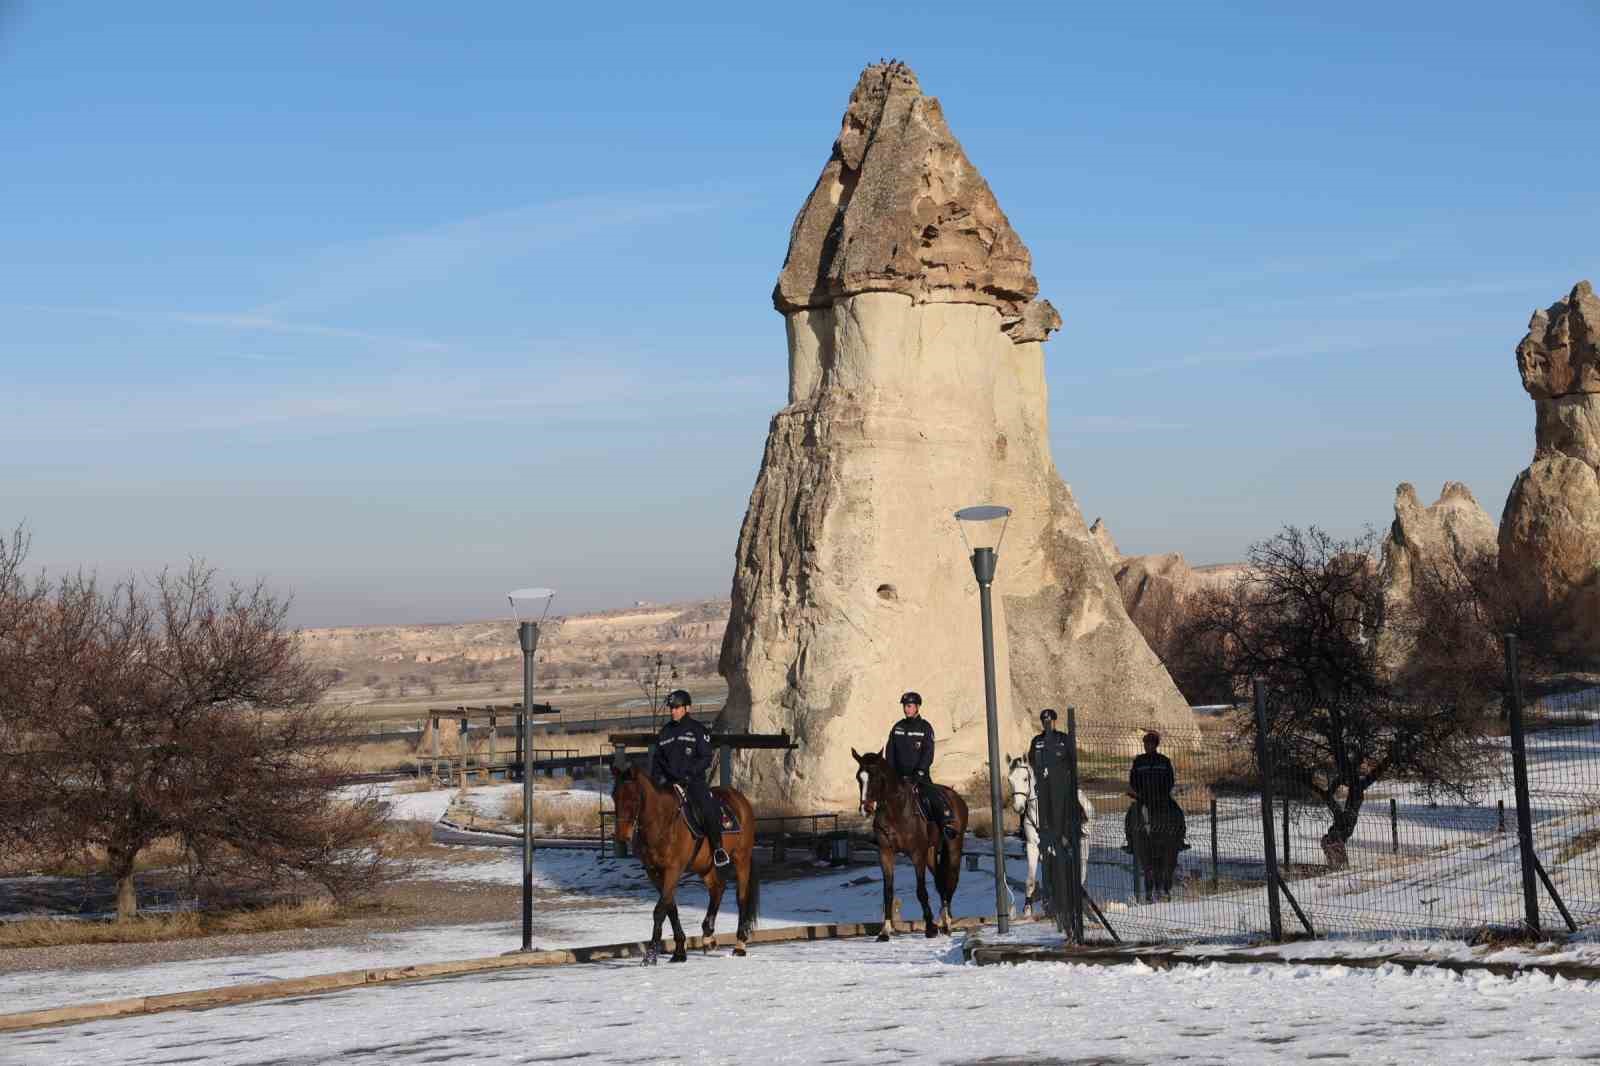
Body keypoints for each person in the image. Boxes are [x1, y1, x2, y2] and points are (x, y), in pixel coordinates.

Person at [651, 689, 728, 866]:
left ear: (687, 708)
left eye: (677, 708)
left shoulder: (698, 730)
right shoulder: (664, 733)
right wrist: (656, 782)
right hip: (669, 785)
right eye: (671, 708)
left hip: (693, 782)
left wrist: (689, 774)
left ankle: (718, 849)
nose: (673, 711)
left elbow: (706, 757)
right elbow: (657, 762)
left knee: (707, 808)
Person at [884, 691, 956, 840]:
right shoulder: (897, 727)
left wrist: (920, 772)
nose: (906, 709)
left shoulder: (925, 727)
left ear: (917, 707)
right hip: (899, 778)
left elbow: (928, 753)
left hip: (919, 777)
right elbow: (890, 752)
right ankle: (881, 830)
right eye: (905, 706)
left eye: (909, 706)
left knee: (933, 795)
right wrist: (891, 772)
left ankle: (946, 825)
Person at [1128, 730, 1188, 850]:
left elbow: (1170, 779)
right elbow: (1133, 779)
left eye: (1150, 744)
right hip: (1144, 796)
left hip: (1162, 796)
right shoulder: (1139, 761)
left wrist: (1163, 793)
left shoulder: (1164, 760)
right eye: (1145, 744)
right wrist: (1140, 792)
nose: (1147, 746)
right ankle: (1130, 842)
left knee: (1177, 812)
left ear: (1155, 745)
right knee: (1131, 814)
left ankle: (1180, 840)